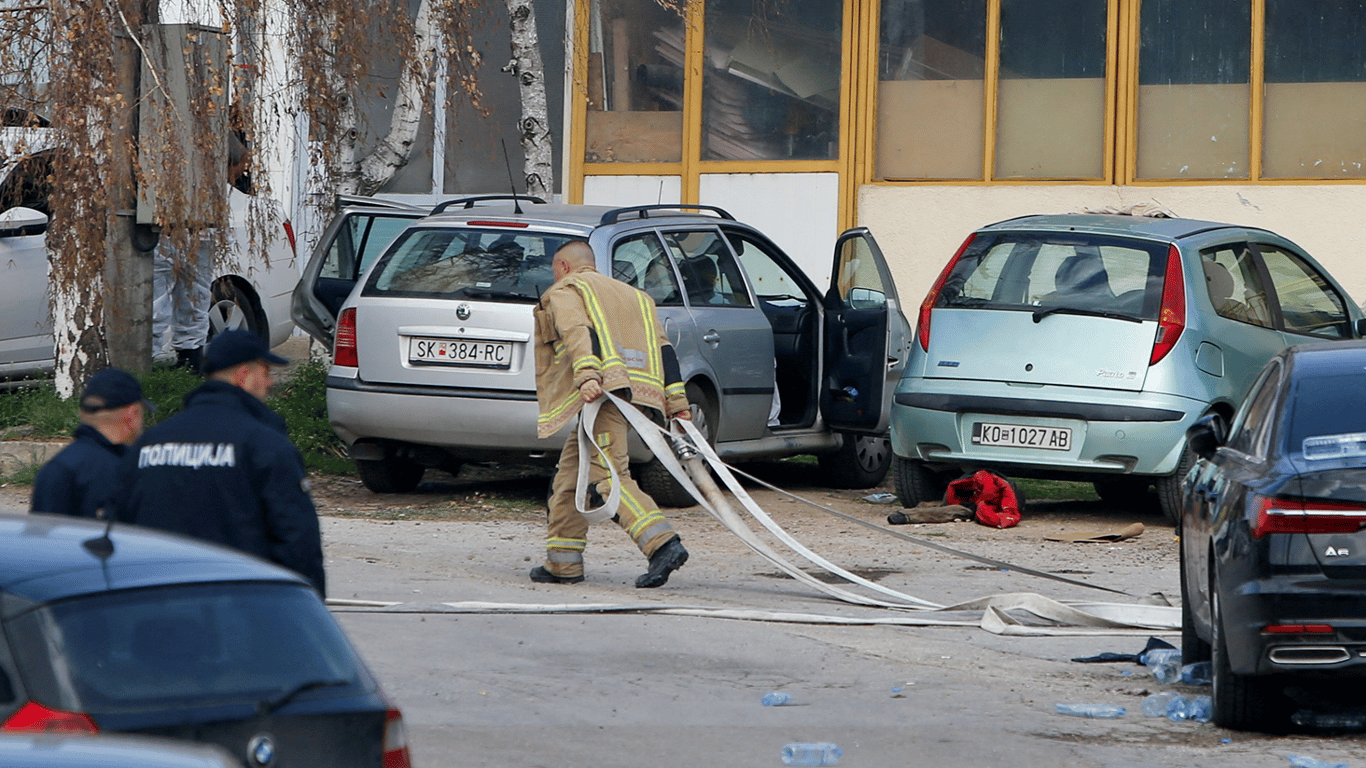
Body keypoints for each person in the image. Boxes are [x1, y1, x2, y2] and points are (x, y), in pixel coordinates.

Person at [115, 329, 326, 595]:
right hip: (237, 609)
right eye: (266, 372)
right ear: (243, 376)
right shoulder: (263, 444)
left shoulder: (150, 443)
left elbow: (119, 526)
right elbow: (297, 538)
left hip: (158, 605)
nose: (270, 383)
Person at [532, 240, 692, 588]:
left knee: (608, 476)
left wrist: (587, 374)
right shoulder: (635, 296)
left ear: (562, 266)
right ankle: (563, 563)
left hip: (604, 393)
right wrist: (677, 404)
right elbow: (665, 350)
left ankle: (661, 544)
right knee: (570, 479)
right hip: (639, 395)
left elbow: (577, 331)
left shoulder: (568, 289)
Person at [150, 136, 252, 369]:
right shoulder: (153, 120)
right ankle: (154, 366)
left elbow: (243, 157)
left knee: (192, 298)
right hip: (162, 229)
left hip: (194, 228)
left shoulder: (208, 125)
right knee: (158, 304)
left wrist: (218, 185)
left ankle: (188, 361)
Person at [30, 368, 151, 519]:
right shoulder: (131, 470)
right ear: (132, 414)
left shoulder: (57, 468)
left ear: (82, 413)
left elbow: (40, 537)